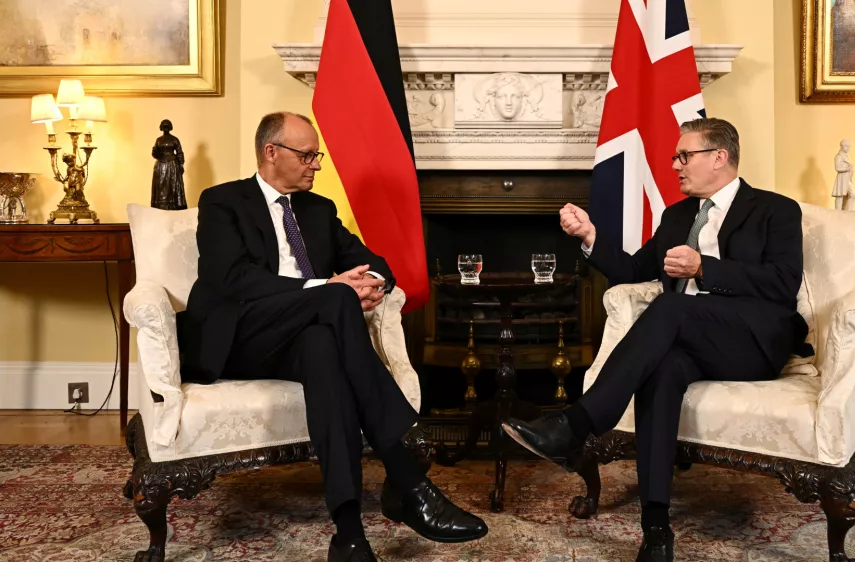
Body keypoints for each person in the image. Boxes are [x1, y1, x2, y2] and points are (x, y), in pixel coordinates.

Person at [177, 112, 487, 561]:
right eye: (307, 156)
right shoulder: (223, 201)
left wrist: (371, 282)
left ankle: (348, 534)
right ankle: (408, 478)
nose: (317, 165)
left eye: (316, 155)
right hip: (240, 338)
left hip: (302, 338)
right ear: (271, 152)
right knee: (337, 299)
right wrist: (328, 287)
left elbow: (378, 265)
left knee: (324, 349)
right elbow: (231, 279)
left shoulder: (318, 210)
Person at [502, 117, 812, 562]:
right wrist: (590, 236)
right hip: (689, 340)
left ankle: (577, 424)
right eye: (675, 157)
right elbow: (633, 270)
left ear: (719, 157)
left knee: (668, 306)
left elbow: (782, 284)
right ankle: (656, 527)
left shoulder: (774, 210)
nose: (675, 166)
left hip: (751, 343)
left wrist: (704, 268)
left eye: (685, 156)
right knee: (661, 371)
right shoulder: (677, 216)